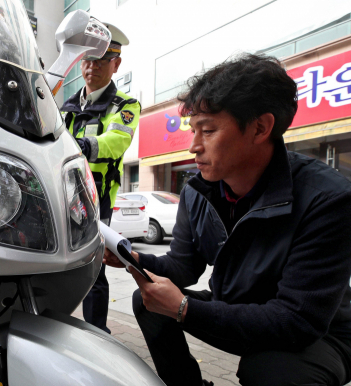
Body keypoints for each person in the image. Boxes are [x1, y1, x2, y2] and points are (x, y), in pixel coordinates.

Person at [104, 54, 351, 386]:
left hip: (320, 334)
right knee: (148, 300)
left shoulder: (326, 199)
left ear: (261, 127)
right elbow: (183, 266)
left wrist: (184, 309)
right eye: (193, 131)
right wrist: (133, 259)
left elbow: (296, 320)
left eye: (207, 130)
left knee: (269, 370)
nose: (193, 146)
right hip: (238, 309)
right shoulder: (198, 191)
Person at [60, 23, 141, 333]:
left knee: (93, 269)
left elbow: (116, 142)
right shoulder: (66, 108)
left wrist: (81, 147)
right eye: (87, 60)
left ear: (116, 64)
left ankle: (98, 334)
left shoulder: (126, 106)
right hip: (62, 196)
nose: (91, 67)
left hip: (95, 201)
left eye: (100, 61)